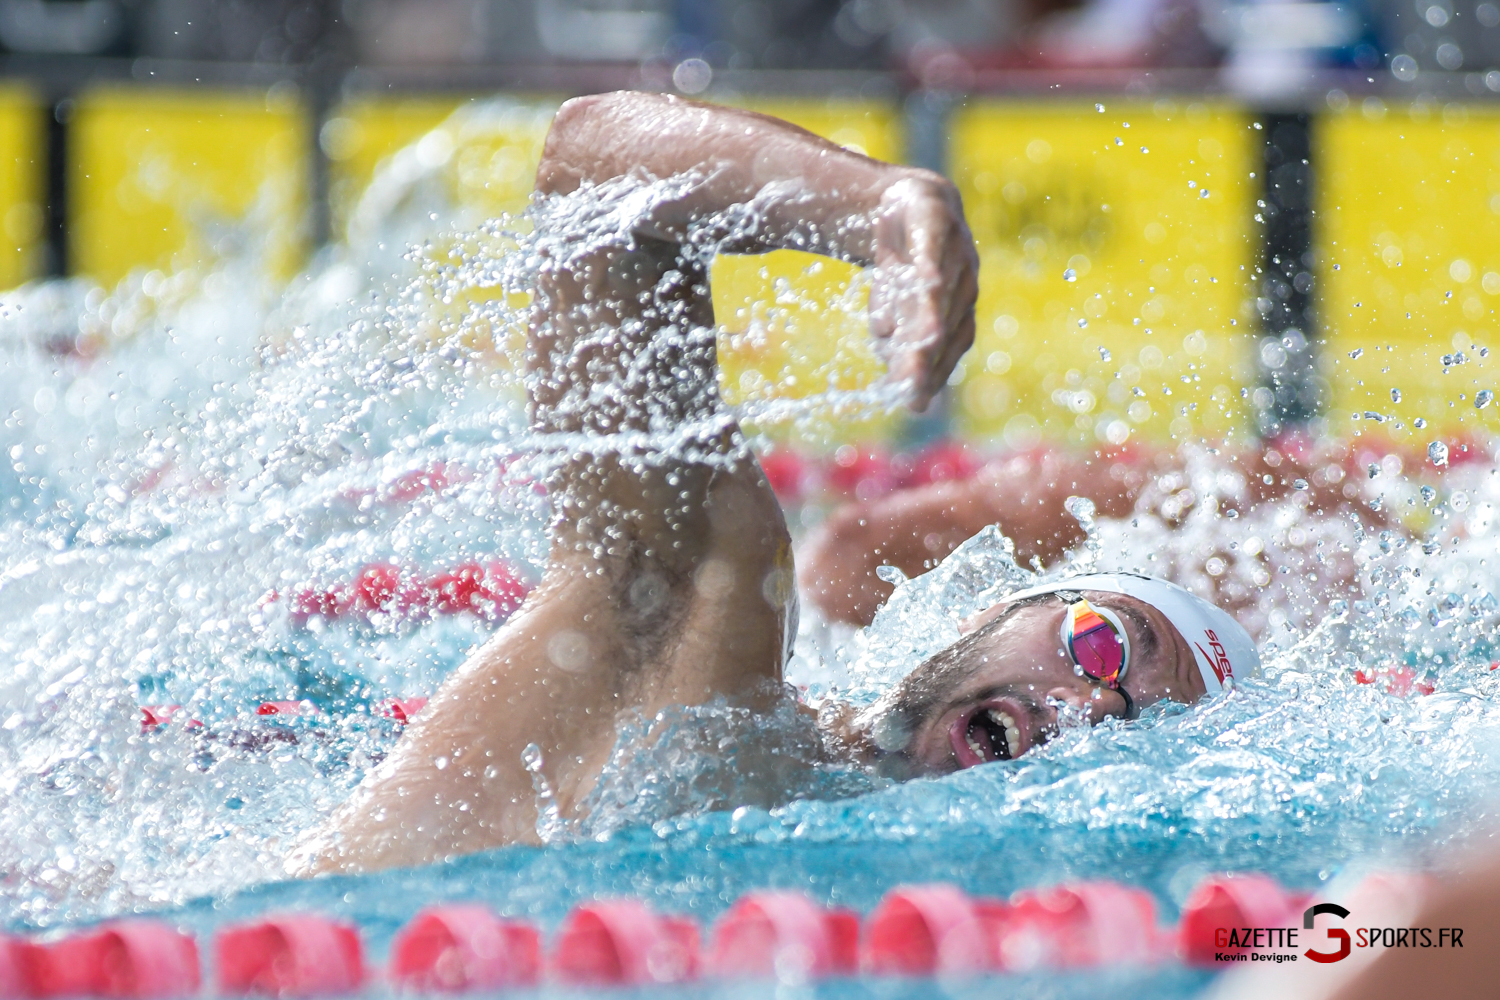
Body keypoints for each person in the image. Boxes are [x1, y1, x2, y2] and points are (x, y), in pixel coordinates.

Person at [291, 90, 1257, 876]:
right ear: (990, 614)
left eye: (1143, 729)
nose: (1091, 710)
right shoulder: (703, 657)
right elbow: (592, 165)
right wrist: (879, 207)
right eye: (1100, 644)